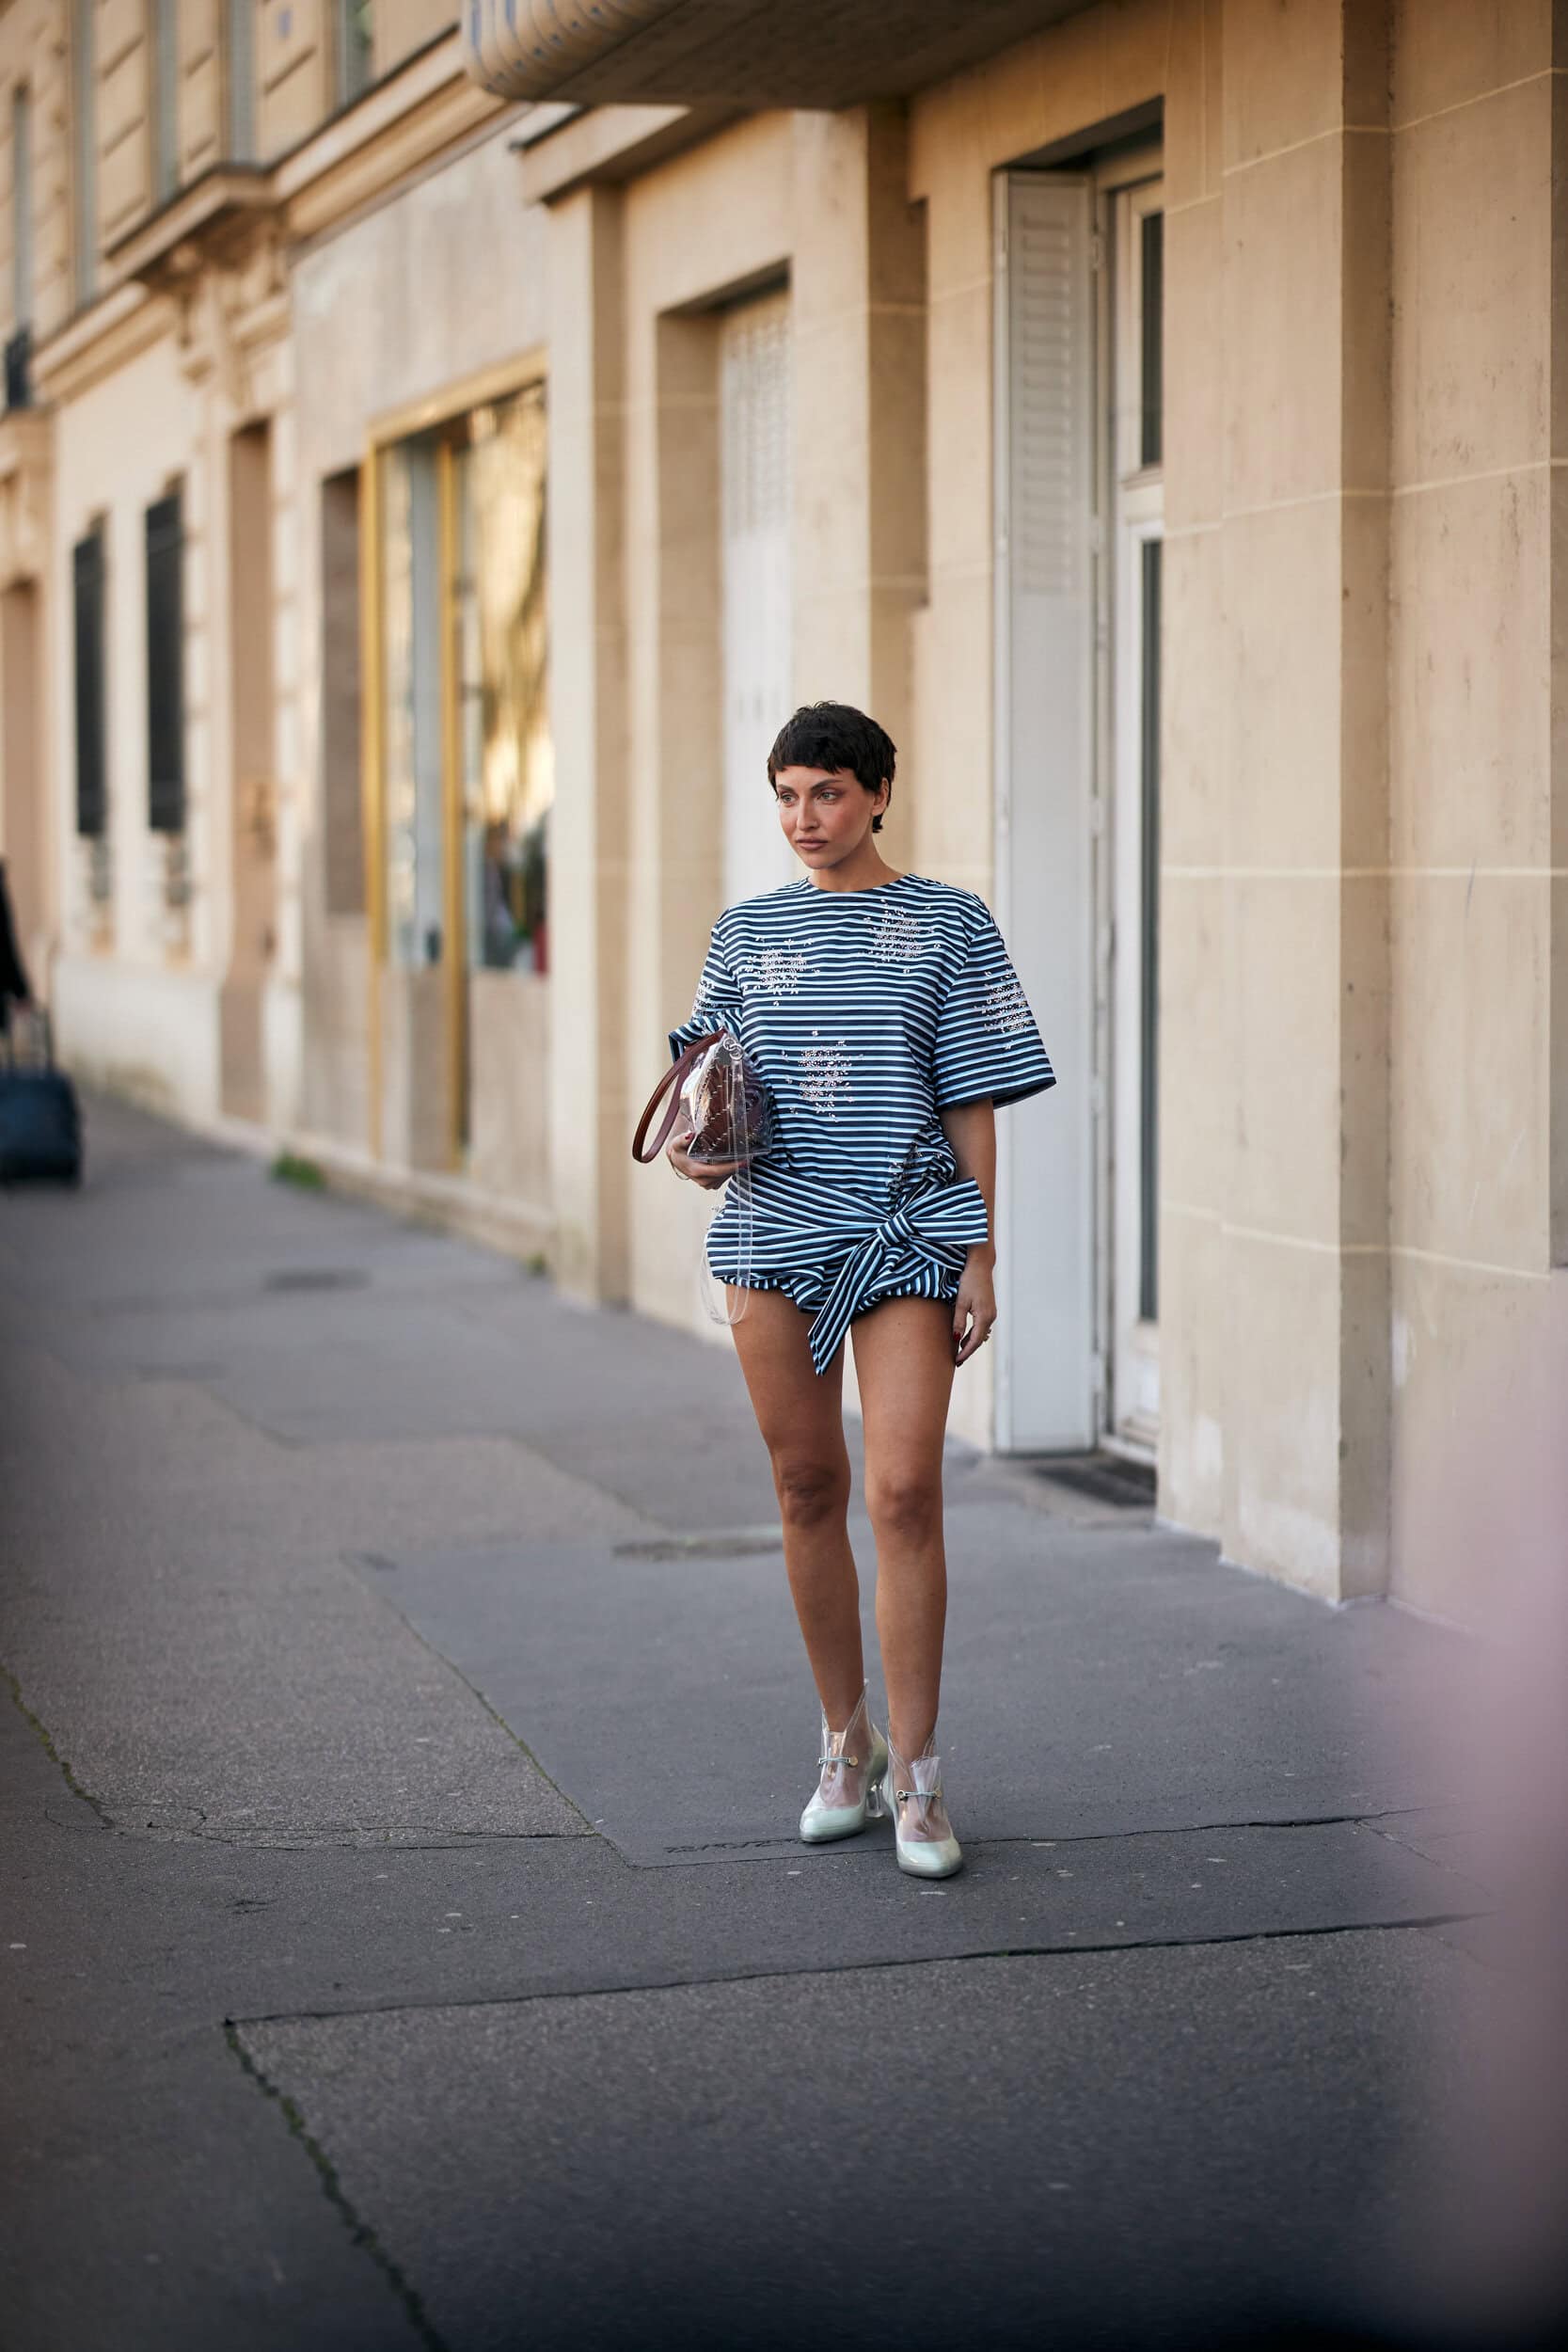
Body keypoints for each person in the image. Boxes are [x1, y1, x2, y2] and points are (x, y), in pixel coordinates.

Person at [666, 702, 1054, 1878]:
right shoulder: (743, 933)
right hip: (772, 1233)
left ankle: (922, 1775)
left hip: (904, 1235)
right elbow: (695, 1090)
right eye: (785, 795)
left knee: (900, 1493)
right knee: (802, 1486)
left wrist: (979, 1253)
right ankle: (848, 1741)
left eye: (825, 793)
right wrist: (696, 1147)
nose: (803, 818)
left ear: (878, 792)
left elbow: (971, 1095)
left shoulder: (948, 922)